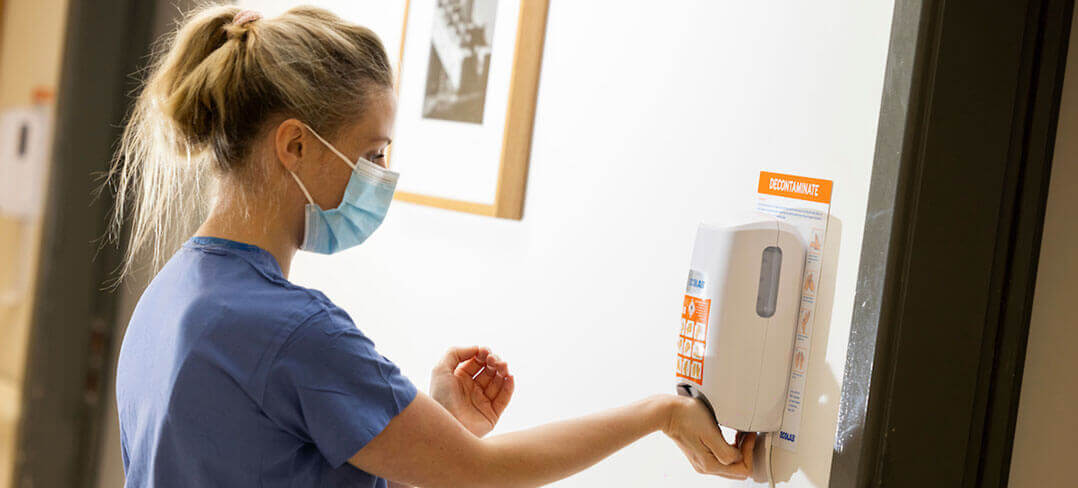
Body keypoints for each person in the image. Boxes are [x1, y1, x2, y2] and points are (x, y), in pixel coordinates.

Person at [109, 5, 754, 487]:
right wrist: (660, 413)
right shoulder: (294, 332)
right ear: (295, 145)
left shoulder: (163, 304)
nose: (382, 178)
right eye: (372, 153)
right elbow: (486, 472)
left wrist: (435, 421)